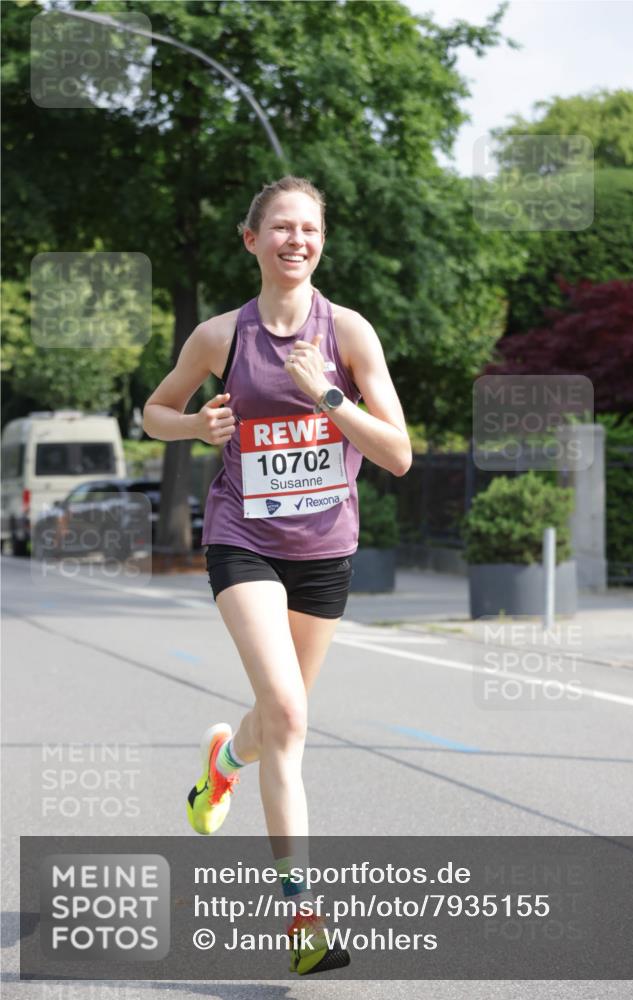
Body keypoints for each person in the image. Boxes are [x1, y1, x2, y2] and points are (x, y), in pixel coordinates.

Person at [142, 175, 412, 976]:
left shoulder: (348, 332)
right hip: (244, 540)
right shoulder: (218, 336)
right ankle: (302, 920)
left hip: (325, 550)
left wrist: (325, 393)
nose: (297, 240)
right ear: (251, 239)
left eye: (310, 230)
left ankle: (222, 765)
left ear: (320, 243)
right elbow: (154, 412)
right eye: (282, 228)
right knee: (290, 716)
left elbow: (397, 453)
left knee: (273, 722)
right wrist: (196, 425)